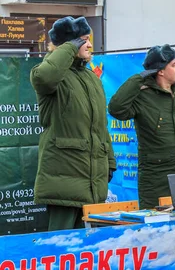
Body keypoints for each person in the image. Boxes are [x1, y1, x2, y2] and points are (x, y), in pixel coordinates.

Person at [30, 16, 115, 231]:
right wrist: (69, 47)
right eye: (83, 40)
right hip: (64, 183)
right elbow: (45, 77)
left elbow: (100, 127)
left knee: (86, 251)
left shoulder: (91, 78)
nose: (88, 44)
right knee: (60, 249)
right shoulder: (49, 74)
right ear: (69, 44)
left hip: (92, 181)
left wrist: (110, 162)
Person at [108, 45, 175, 209]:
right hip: (156, 179)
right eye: (173, 65)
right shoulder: (142, 96)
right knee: (157, 229)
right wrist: (139, 78)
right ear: (160, 70)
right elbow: (116, 109)